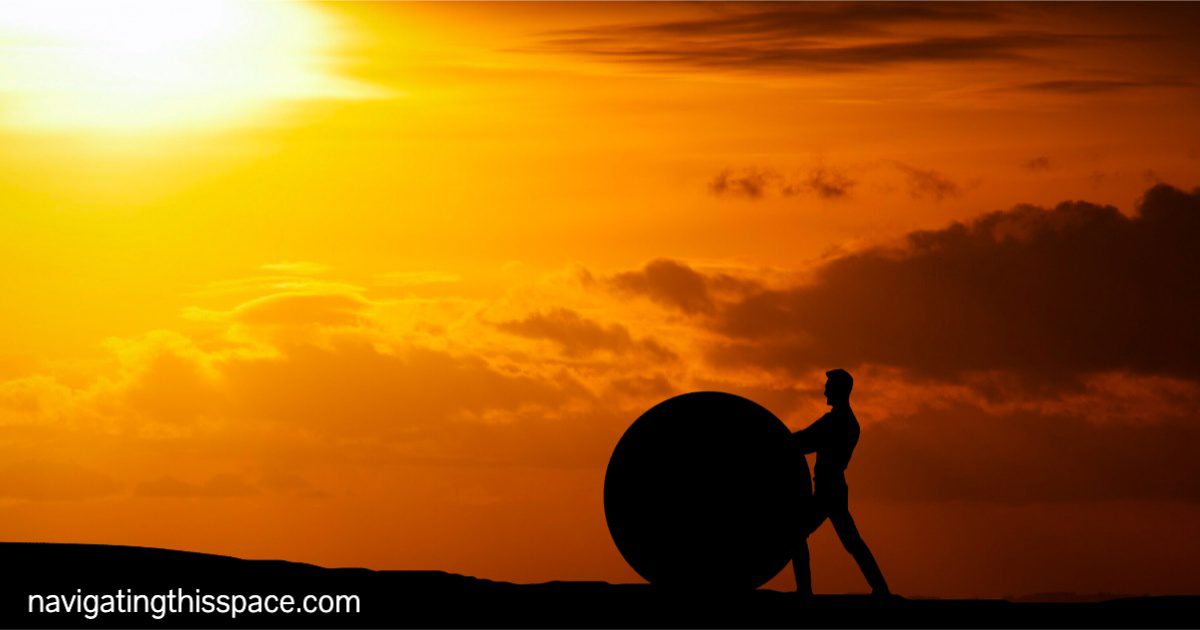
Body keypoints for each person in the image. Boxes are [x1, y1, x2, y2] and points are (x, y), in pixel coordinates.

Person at [792, 368, 890, 596]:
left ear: (837, 389)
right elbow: (807, 441)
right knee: (852, 542)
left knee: (797, 533)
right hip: (835, 487)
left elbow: (804, 441)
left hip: (828, 489)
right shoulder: (849, 421)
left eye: (829, 385)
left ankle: (804, 591)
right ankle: (881, 590)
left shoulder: (836, 421)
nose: (824, 389)